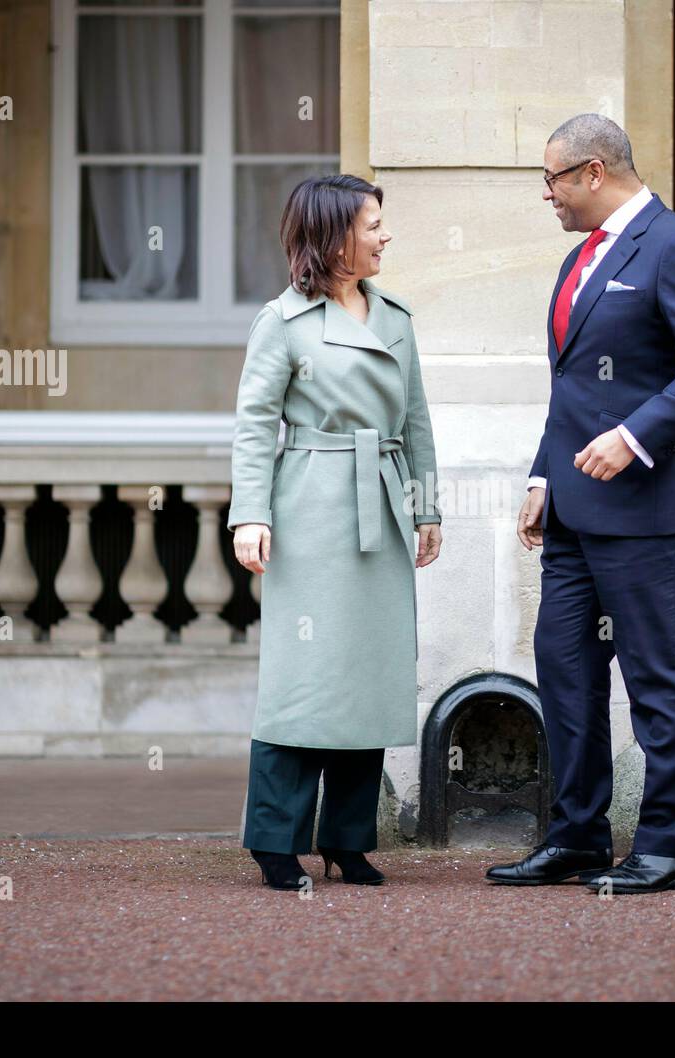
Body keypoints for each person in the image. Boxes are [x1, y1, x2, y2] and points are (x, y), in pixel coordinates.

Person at [486, 114, 675, 894]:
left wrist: (633, 438)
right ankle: (577, 838)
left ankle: (664, 846)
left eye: (552, 180)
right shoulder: (577, 260)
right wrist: (542, 477)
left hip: (652, 512)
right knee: (565, 672)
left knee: (658, 679)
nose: (547, 195)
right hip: (572, 515)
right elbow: (569, 391)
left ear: (594, 172)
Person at [229, 173, 442, 890]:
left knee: (368, 675)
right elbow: (256, 424)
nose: (385, 235)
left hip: (379, 503)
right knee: (304, 677)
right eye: (372, 224)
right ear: (333, 235)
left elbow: (414, 422)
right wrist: (249, 514)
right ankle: (274, 841)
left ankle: (348, 841)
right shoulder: (281, 322)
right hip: (310, 508)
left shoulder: (398, 318)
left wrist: (427, 507)